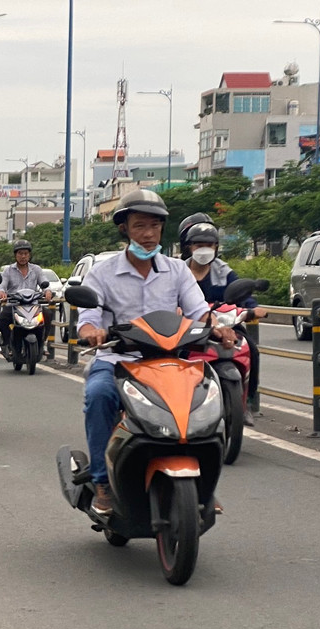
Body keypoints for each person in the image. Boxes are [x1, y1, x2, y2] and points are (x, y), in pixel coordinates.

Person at [76, 190, 237, 515]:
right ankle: (102, 481)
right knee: (99, 395)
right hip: (118, 361)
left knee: (209, 397)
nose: (148, 234)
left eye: (154, 226)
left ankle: (204, 484)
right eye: (139, 226)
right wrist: (91, 332)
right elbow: (88, 318)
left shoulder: (177, 271)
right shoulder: (102, 274)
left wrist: (218, 327)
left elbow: (198, 311)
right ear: (124, 229)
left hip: (170, 362)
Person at [178, 214, 265, 424]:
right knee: (175, 352)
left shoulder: (223, 271)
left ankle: (248, 402)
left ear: (216, 247)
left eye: (209, 245)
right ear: (189, 247)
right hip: (190, 327)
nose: (204, 249)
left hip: (226, 324)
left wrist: (253, 308)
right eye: (199, 245)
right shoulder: (178, 270)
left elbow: (242, 294)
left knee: (251, 349)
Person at [0, 238, 55, 351]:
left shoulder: (36, 269)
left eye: (26, 254)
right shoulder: (8, 270)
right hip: (14, 305)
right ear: (15, 255)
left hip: (32, 305)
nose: (23, 256)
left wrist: (47, 291)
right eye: (20, 253)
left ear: (29, 255)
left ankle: (42, 345)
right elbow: (2, 285)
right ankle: (9, 343)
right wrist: (1, 292)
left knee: (48, 314)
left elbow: (44, 283)